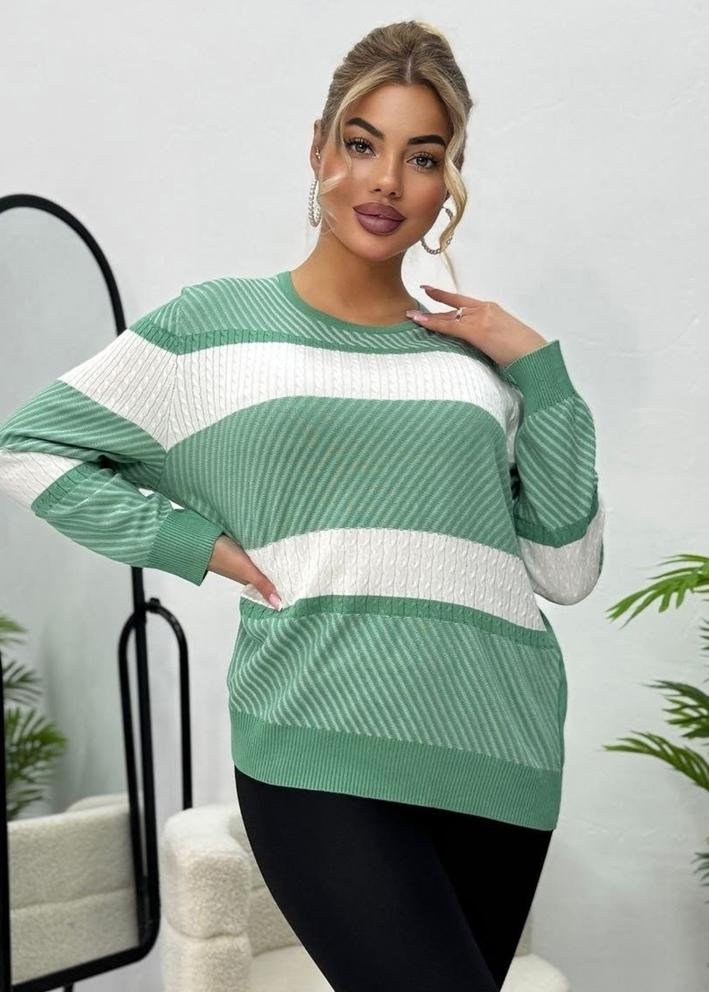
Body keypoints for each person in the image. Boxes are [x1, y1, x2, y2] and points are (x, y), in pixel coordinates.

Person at [0, 19, 605, 992]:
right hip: (317, 737)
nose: (385, 181)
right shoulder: (212, 328)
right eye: (362, 143)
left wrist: (540, 370)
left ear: (447, 182)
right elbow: (30, 447)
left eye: (423, 157)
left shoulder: (477, 365)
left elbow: (564, 571)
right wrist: (192, 542)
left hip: (500, 745)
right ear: (318, 147)